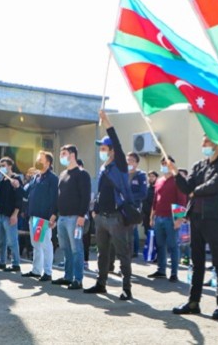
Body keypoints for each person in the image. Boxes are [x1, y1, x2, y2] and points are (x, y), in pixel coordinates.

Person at [170, 135, 218, 320]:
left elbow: (214, 185)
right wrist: (176, 173)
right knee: (196, 262)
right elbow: (186, 187)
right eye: (203, 140)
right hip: (196, 217)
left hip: (213, 218)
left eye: (207, 141)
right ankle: (193, 302)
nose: (203, 144)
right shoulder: (199, 165)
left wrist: (194, 191)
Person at [84, 110, 136, 300]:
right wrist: (95, 211)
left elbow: (118, 141)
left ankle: (127, 287)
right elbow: (101, 192)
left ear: (113, 150)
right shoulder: (104, 167)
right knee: (102, 253)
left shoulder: (120, 164)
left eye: (105, 148)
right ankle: (101, 283)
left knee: (122, 254)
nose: (102, 151)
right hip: (102, 218)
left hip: (116, 217)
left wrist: (106, 121)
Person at [52, 145, 91, 290]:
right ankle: (68, 277)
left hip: (75, 218)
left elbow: (85, 197)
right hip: (62, 218)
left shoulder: (82, 174)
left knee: (76, 249)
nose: (61, 156)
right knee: (65, 248)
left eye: (64, 153)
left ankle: (78, 279)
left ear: (72, 154)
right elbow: (59, 196)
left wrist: (82, 215)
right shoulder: (62, 174)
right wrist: (55, 215)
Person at [148, 156, 187, 282]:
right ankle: (161, 270)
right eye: (163, 163)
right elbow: (155, 200)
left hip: (171, 218)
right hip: (159, 217)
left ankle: (174, 273)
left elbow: (182, 200)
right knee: (160, 245)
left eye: (167, 163)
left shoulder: (177, 180)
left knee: (173, 245)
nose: (164, 166)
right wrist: (152, 216)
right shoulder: (159, 180)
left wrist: (179, 219)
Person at [21, 151, 58, 282]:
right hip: (33, 216)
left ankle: (47, 272)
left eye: (40, 159)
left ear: (48, 162)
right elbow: (27, 192)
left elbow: (55, 198)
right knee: (36, 244)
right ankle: (36, 270)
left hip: (44, 217)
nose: (38, 161)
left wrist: (53, 215)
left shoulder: (52, 178)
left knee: (45, 244)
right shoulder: (36, 177)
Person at [127, 152, 148, 258]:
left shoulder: (141, 175)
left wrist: (130, 197)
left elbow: (143, 193)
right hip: (123, 206)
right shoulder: (124, 174)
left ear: (136, 163)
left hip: (134, 207)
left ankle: (133, 251)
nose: (129, 162)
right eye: (128, 159)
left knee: (133, 229)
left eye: (131, 160)